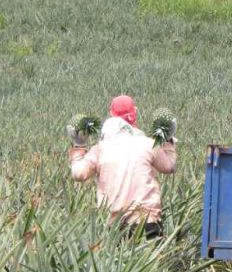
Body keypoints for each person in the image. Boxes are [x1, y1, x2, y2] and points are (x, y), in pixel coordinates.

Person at [67, 95, 177, 239]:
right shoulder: (148, 144)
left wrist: (79, 145)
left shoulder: (101, 149)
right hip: (148, 221)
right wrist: (168, 139)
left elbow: (78, 173)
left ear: (111, 114)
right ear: (134, 114)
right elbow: (169, 166)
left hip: (115, 226)